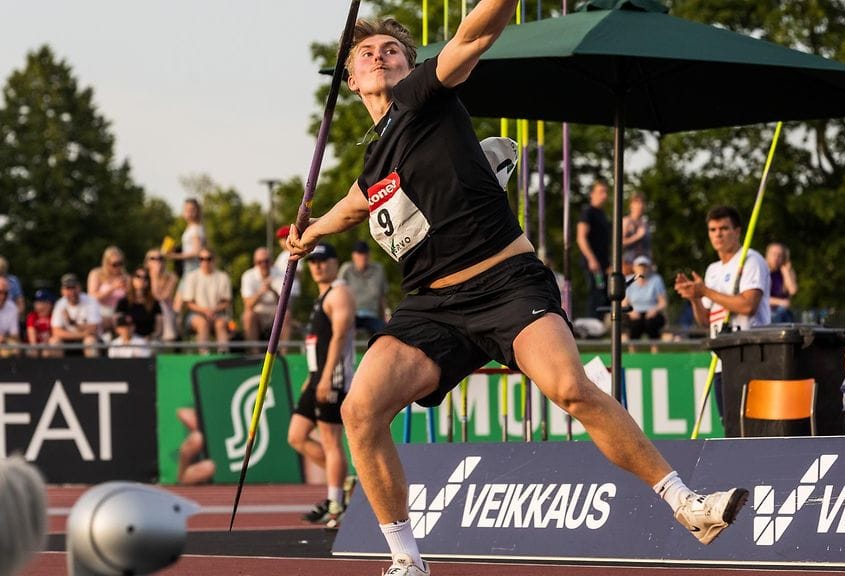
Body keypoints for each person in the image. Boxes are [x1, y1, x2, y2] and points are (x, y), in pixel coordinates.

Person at [285, 9, 747, 575]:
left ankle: (687, 505)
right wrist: (306, 234)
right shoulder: (376, 157)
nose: (380, 55)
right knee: (360, 410)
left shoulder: (423, 95)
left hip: (507, 285)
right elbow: (356, 204)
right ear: (350, 81)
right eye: (366, 53)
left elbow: (475, 32)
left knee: (571, 388)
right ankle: (407, 561)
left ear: (410, 65)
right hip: (432, 306)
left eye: (392, 50)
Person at [674, 205, 771, 425]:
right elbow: (707, 320)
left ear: (737, 231)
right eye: (713, 229)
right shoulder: (712, 270)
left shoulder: (751, 260)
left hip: (750, 358)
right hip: (720, 361)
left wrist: (705, 291)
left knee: (752, 426)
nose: (718, 234)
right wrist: (695, 298)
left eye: (724, 228)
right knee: (729, 426)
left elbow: (748, 306)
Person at [287, 243, 356, 530]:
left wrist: (326, 376)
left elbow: (340, 336)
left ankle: (335, 502)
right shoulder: (322, 295)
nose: (317, 266)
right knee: (297, 435)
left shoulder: (339, 293)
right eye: (313, 261)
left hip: (333, 377)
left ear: (334, 263)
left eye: (323, 261)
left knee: (330, 440)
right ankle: (342, 481)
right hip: (317, 375)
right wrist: (312, 376)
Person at [179, 248, 231, 354]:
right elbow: (189, 303)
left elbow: (226, 301)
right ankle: (204, 355)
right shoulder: (191, 277)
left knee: (221, 324)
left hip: (217, 314)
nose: (205, 262)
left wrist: (213, 311)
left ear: (214, 260)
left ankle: (223, 354)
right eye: (201, 259)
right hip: (196, 315)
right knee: (202, 323)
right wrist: (205, 311)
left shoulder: (223, 277)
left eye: (208, 259)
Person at [338, 240, 388, 337]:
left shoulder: (378, 270)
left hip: (372, 315)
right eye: (359, 254)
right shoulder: (346, 269)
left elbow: (382, 297)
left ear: (369, 255)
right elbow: (338, 294)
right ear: (353, 256)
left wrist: (386, 316)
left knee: (385, 333)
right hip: (351, 315)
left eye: (365, 253)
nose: (362, 257)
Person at [576, 180, 610, 319]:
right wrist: (592, 260)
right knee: (595, 294)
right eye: (601, 191)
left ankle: (600, 325)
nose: (604, 195)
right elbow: (581, 237)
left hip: (603, 263)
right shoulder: (588, 213)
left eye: (606, 192)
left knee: (604, 293)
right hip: (593, 264)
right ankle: (592, 325)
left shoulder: (602, 214)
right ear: (592, 194)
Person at [240, 247, 284, 353]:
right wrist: (261, 292)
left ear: (271, 261)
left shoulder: (281, 274)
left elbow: (284, 304)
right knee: (248, 315)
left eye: (266, 261)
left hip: (275, 313)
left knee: (286, 314)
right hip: (257, 314)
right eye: (260, 262)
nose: (263, 264)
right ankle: (254, 354)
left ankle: (284, 354)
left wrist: (272, 290)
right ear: (255, 263)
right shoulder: (248, 276)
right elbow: (248, 305)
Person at [49, 273, 102, 357]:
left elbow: (93, 329)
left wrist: (72, 323)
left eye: (74, 288)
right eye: (68, 288)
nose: (72, 292)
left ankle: (93, 369)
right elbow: (56, 332)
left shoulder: (91, 301)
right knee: (54, 342)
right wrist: (82, 334)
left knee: (89, 341)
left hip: (88, 339)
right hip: (69, 340)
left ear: (79, 288)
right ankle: (57, 369)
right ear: (62, 291)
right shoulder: (60, 304)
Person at [622, 255, 667, 340]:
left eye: (645, 266)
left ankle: (654, 351)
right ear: (634, 267)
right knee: (634, 324)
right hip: (633, 313)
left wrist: (655, 310)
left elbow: (663, 302)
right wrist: (631, 312)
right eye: (640, 266)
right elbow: (624, 303)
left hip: (651, 313)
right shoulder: (628, 280)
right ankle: (632, 352)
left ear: (649, 268)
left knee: (651, 323)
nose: (642, 268)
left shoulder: (656, 280)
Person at [87, 246, 130, 334]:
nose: (118, 267)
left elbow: (130, 298)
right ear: (107, 263)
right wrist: (112, 288)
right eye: (114, 264)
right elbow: (92, 297)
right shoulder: (96, 274)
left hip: (119, 313)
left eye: (120, 263)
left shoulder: (126, 277)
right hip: (100, 312)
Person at [116, 267, 163, 344]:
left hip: (148, 340)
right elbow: (118, 324)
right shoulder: (123, 302)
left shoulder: (154, 303)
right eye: (138, 276)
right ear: (132, 279)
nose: (142, 280)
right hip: (128, 340)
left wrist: (151, 337)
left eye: (145, 277)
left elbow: (159, 327)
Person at [145, 248, 180, 342]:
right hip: (148, 310)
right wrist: (152, 276)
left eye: (160, 258)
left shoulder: (171, 277)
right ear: (147, 262)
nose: (157, 261)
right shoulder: (142, 276)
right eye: (153, 258)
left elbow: (161, 297)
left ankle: (167, 338)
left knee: (161, 305)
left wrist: (155, 277)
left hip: (166, 310)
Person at [169, 198, 207, 278]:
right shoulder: (191, 228)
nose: (188, 212)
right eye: (186, 209)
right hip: (188, 267)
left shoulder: (195, 229)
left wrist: (174, 256)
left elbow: (196, 252)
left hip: (193, 268)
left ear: (197, 212)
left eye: (192, 209)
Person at [765, 242, 797, 323]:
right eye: (774, 254)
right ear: (767, 255)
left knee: (784, 312)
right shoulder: (762, 271)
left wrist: (786, 272)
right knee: (780, 313)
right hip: (767, 310)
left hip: (782, 311)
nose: (776, 258)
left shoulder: (785, 271)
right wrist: (780, 302)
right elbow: (761, 298)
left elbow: (793, 291)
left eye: (780, 255)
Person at [621, 190, 651, 276]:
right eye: (637, 202)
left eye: (642, 203)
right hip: (629, 266)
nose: (640, 206)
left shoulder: (645, 224)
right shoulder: (626, 222)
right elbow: (620, 243)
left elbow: (649, 247)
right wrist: (637, 236)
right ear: (631, 205)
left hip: (645, 266)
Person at [25, 288, 56, 357]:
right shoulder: (32, 317)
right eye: (36, 302)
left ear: (50, 304)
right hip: (35, 347)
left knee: (47, 352)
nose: (38, 305)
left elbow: (55, 335)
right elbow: (32, 340)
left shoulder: (54, 316)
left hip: (48, 347)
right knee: (33, 352)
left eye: (42, 302)